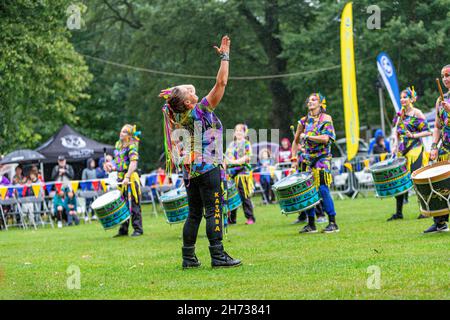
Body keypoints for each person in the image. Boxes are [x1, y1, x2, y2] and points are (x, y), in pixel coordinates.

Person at [160, 35, 241, 269]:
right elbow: (222, 83)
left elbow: (180, 94)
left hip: (190, 171)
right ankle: (218, 256)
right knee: (214, 210)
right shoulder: (199, 111)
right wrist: (225, 57)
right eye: (189, 94)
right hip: (207, 167)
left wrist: (181, 91)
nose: (193, 92)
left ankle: (188, 258)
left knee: (194, 214)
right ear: (188, 103)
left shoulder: (174, 113)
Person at [291, 93, 339, 233]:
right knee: (308, 191)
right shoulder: (304, 121)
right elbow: (295, 141)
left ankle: (332, 222)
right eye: (309, 100)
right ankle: (311, 224)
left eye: (314, 100)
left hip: (322, 158)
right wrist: (294, 159)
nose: (310, 102)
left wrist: (308, 137)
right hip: (306, 159)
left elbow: (326, 138)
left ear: (320, 103)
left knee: (323, 189)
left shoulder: (326, 118)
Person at [388, 87, 432, 221]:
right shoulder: (399, 114)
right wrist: (395, 144)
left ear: (412, 99)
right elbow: (396, 131)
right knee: (399, 180)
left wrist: (413, 135)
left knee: (417, 180)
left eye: (405, 97)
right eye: (401, 97)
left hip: (415, 149)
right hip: (402, 150)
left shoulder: (417, 113)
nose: (402, 99)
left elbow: (428, 131)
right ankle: (398, 212)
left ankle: (425, 210)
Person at [104, 124, 143, 237]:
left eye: (125, 132)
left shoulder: (132, 146)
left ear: (130, 135)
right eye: (121, 131)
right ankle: (123, 230)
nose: (121, 133)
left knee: (134, 203)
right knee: (123, 204)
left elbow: (133, 162)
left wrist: (127, 176)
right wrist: (111, 167)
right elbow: (118, 163)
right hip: (121, 178)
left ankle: (138, 229)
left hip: (130, 178)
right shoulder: (118, 145)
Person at [427, 65, 450, 233]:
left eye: (448, 75)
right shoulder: (440, 101)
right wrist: (434, 146)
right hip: (445, 149)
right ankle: (440, 222)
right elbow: (437, 126)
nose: (445, 79)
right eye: (443, 76)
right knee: (440, 184)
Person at [225, 124, 256, 225]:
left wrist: (235, 162)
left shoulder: (246, 144)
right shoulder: (231, 145)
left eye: (240, 131)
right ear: (234, 133)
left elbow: (247, 157)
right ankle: (231, 219)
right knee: (232, 196)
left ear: (244, 133)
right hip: (231, 174)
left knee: (244, 196)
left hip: (243, 174)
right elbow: (227, 158)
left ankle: (250, 217)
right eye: (236, 130)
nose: (238, 132)